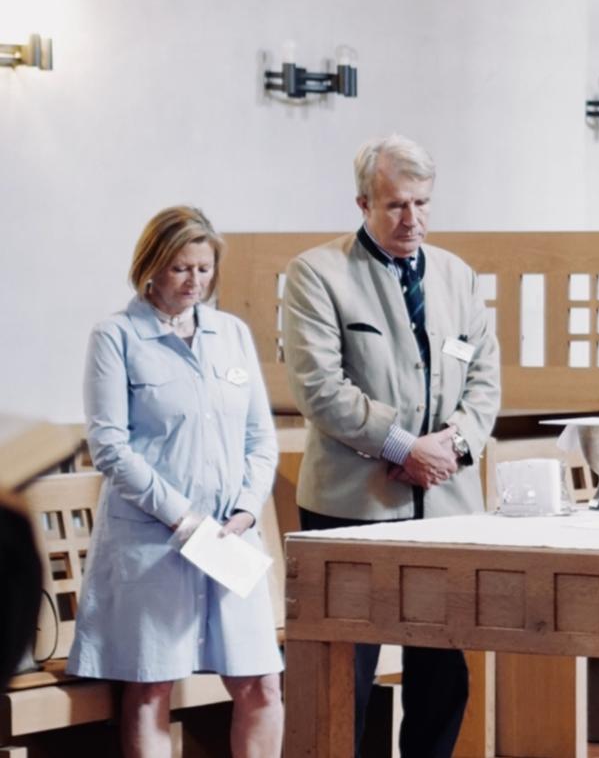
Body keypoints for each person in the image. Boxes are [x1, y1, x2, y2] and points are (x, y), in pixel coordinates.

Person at [282, 136, 501, 758]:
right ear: (363, 203)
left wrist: (452, 446)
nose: (413, 220)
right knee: (346, 673)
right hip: (354, 507)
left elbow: (485, 381)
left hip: (446, 506)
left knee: (441, 672)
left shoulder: (458, 276)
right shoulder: (317, 274)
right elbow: (321, 389)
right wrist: (403, 446)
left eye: (423, 204)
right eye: (397, 206)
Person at [70, 207, 282, 758]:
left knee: (261, 682)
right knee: (150, 686)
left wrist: (245, 510)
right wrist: (183, 517)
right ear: (151, 267)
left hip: (231, 539)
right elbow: (110, 446)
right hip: (154, 539)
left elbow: (261, 438)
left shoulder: (231, 333)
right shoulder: (115, 336)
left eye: (204, 269)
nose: (194, 282)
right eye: (181, 269)